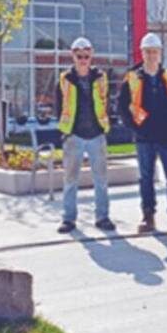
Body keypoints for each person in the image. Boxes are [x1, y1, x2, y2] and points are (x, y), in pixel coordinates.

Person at [118, 32, 167, 233]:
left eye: (154, 52)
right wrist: (135, 128)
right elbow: (122, 108)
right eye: (147, 52)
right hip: (144, 139)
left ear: (160, 53)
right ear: (142, 53)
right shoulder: (132, 78)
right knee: (146, 177)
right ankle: (148, 216)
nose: (151, 55)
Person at [55, 37, 116, 234]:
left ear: (91, 56)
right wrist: (66, 132)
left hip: (96, 134)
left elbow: (105, 101)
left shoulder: (100, 77)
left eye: (86, 56)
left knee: (101, 179)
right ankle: (68, 219)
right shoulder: (65, 79)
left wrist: (105, 125)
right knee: (70, 180)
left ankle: (102, 217)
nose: (83, 59)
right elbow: (59, 105)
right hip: (74, 136)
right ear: (73, 56)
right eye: (79, 56)